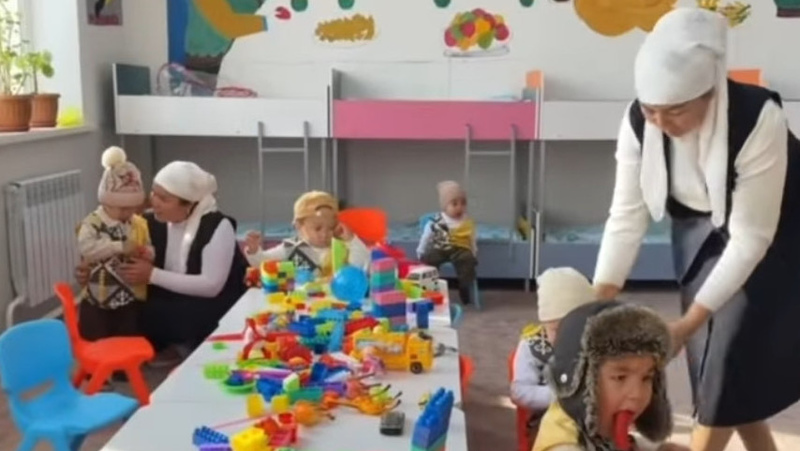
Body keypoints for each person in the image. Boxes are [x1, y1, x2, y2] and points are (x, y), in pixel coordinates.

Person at [593, 7, 800, 451]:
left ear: (711, 95)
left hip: (778, 231)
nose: (660, 124)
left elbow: (751, 238)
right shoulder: (639, 122)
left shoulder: (758, 117)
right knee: (719, 370)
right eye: (651, 110)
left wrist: (687, 323)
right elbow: (626, 216)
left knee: (724, 362)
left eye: (675, 111)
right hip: (699, 228)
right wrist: (596, 303)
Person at [76, 161, 248, 367]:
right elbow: (112, 249)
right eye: (154, 194)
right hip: (171, 294)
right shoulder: (149, 222)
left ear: (189, 205)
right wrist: (89, 271)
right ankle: (117, 354)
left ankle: (187, 343)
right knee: (120, 304)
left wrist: (152, 275)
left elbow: (211, 286)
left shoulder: (217, 226)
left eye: (164, 199)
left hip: (214, 301)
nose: (154, 202)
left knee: (188, 314)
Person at [533, 301, 686, 451]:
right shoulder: (564, 446)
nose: (637, 394)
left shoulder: (593, 427)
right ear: (581, 383)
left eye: (646, 378)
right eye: (620, 378)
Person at [510, 267, 596, 446]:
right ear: (544, 325)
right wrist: (563, 396)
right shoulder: (532, 347)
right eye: (556, 329)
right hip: (548, 423)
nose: (566, 336)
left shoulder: (597, 342)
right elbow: (519, 392)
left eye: (574, 328)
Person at [77, 146, 153, 342]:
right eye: (122, 208)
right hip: (97, 300)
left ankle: (124, 361)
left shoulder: (136, 223)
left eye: (132, 208)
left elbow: (147, 245)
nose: (128, 213)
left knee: (126, 339)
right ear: (105, 202)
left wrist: (147, 253)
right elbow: (87, 248)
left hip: (126, 298)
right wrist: (119, 246)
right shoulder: (93, 223)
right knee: (97, 341)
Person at [243, 190, 370, 276]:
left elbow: (362, 265)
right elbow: (262, 262)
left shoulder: (341, 246)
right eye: (317, 228)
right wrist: (254, 251)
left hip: (337, 302)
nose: (324, 234)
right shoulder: (292, 247)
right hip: (302, 303)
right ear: (299, 226)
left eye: (331, 228)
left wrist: (352, 240)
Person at [416, 180, 478, 304]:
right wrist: (421, 250)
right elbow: (426, 236)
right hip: (440, 247)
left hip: (460, 248)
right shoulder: (436, 220)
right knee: (429, 258)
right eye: (454, 204)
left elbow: (472, 237)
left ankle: (464, 286)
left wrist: (474, 250)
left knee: (467, 260)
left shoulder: (467, 221)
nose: (459, 207)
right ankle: (430, 287)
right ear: (445, 206)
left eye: (463, 203)